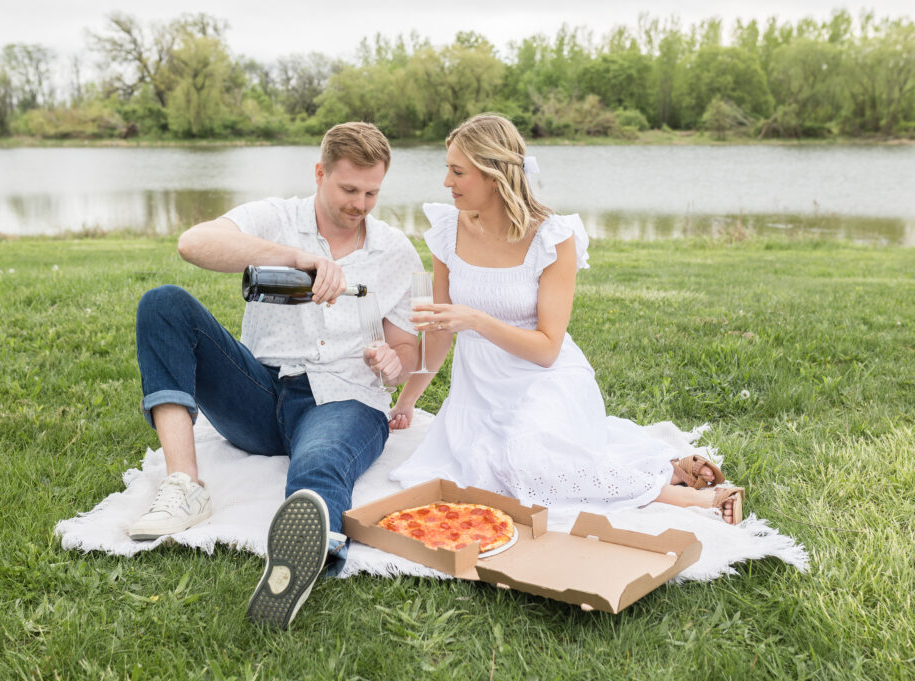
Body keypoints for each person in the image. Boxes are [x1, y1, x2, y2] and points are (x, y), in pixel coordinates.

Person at [127, 122, 424, 629]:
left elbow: (405, 347)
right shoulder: (276, 218)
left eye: (372, 192)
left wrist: (393, 362)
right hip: (260, 392)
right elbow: (194, 242)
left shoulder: (395, 251)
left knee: (321, 462)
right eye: (349, 189)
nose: (360, 203)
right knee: (164, 304)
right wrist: (295, 258)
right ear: (319, 173)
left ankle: (307, 556)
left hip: (344, 399)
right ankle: (184, 484)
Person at [388, 113, 745, 528]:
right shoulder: (447, 228)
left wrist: (475, 320)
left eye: (457, 171)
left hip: (547, 378)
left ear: (494, 175)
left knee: (528, 460)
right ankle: (672, 467)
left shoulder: (552, 237)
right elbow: (440, 332)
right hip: (480, 391)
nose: (446, 181)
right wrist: (407, 400)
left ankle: (691, 498)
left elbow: (547, 349)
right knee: (485, 476)